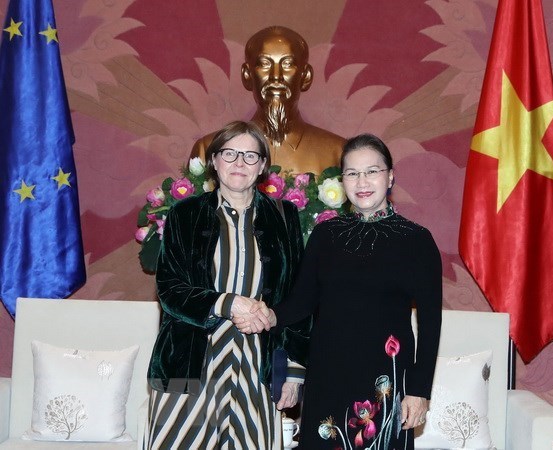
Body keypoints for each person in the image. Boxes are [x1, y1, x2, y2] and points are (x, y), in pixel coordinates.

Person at [236, 133, 442, 450]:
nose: (362, 181)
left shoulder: (417, 241)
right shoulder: (325, 235)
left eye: (372, 171)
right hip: (328, 375)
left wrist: (419, 391)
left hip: (384, 379)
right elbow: (302, 301)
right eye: (352, 173)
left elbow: (430, 325)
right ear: (342, 179)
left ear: (390, 176)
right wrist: (267, 315)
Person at [145, 120, 311, 449]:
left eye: (250, 156)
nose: (239, 163)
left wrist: (293, 370)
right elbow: (169, 288)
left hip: (256, 365)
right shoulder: (184, 214)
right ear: (214, 160)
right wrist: (229, 303)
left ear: (263, 165)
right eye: (229, 153)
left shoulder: (284, 217)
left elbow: (298, 297)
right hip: (188, 362)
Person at [190, 26, 345, 175]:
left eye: (287, 64)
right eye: (264, 64)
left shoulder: (337, 152)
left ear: (306, 77)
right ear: (247, 75)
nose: (276, 77)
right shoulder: (209, 150)